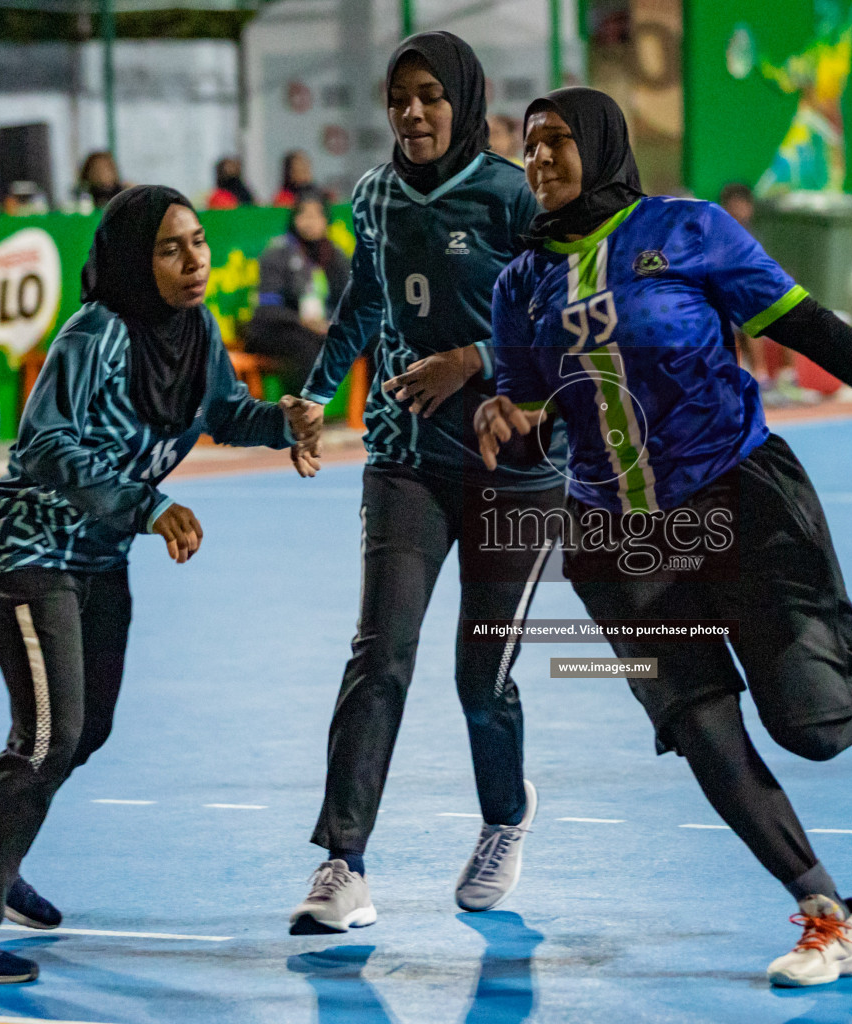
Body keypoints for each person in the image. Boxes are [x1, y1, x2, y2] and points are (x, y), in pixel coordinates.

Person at [475, 86, 852, 989]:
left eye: (556, 143)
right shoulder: (520, 284)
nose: (537, 161)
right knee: (701, 727)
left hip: (739, 499)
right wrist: (509, 417)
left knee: (810, 726)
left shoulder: (686, 230)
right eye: (528, 147)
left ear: (605, 147)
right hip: (611, 537)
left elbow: (799, 319)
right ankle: (828, 916)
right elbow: (538, 407)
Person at [0, 185, 316, 984]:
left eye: (198, 242)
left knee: (85, 731)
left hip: (97, 556)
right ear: (136, 259)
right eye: (172, 248)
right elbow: (47, 446)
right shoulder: (95, 334)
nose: (194, 260)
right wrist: (148, 504)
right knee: (48, 735)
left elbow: (222, 412)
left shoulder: (193, 327)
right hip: (27, 552)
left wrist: (281, 422)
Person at [284, 31, 567, 935]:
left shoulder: (515, 195)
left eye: (429, 96)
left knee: (480, 681)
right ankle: (343, 863)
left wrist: (473, 360)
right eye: (399, 96)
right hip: (405, 458)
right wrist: (316, 392)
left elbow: (568, 315)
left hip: (516, 469)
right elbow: (365, 299)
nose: (411, 112)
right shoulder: (371, 195)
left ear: (467, 102)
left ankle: (503, 816)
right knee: (380, 653)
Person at [719, 181, 819, 408]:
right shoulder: (720, 236)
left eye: (743, 205)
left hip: (751, 299)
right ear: (725, 208)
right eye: (733, 205)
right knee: (752, 319)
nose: (739, 210)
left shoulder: (751, 236)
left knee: (789, 314)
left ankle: (788, 379)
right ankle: (761, 380)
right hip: (729, 306)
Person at [244, 189, 349, 394]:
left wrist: (334, 324)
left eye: (317, 215)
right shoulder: (278, 252)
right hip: (279, 329)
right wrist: (304, 322)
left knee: (373, 334)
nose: (310, 221)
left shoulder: (334, 255)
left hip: (321, 328)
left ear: (326, 219)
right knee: (305, 346)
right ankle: (301, 415)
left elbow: (350, 299)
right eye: (304, 214)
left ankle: (384, 406)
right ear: (294, 218)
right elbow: (267, 309)